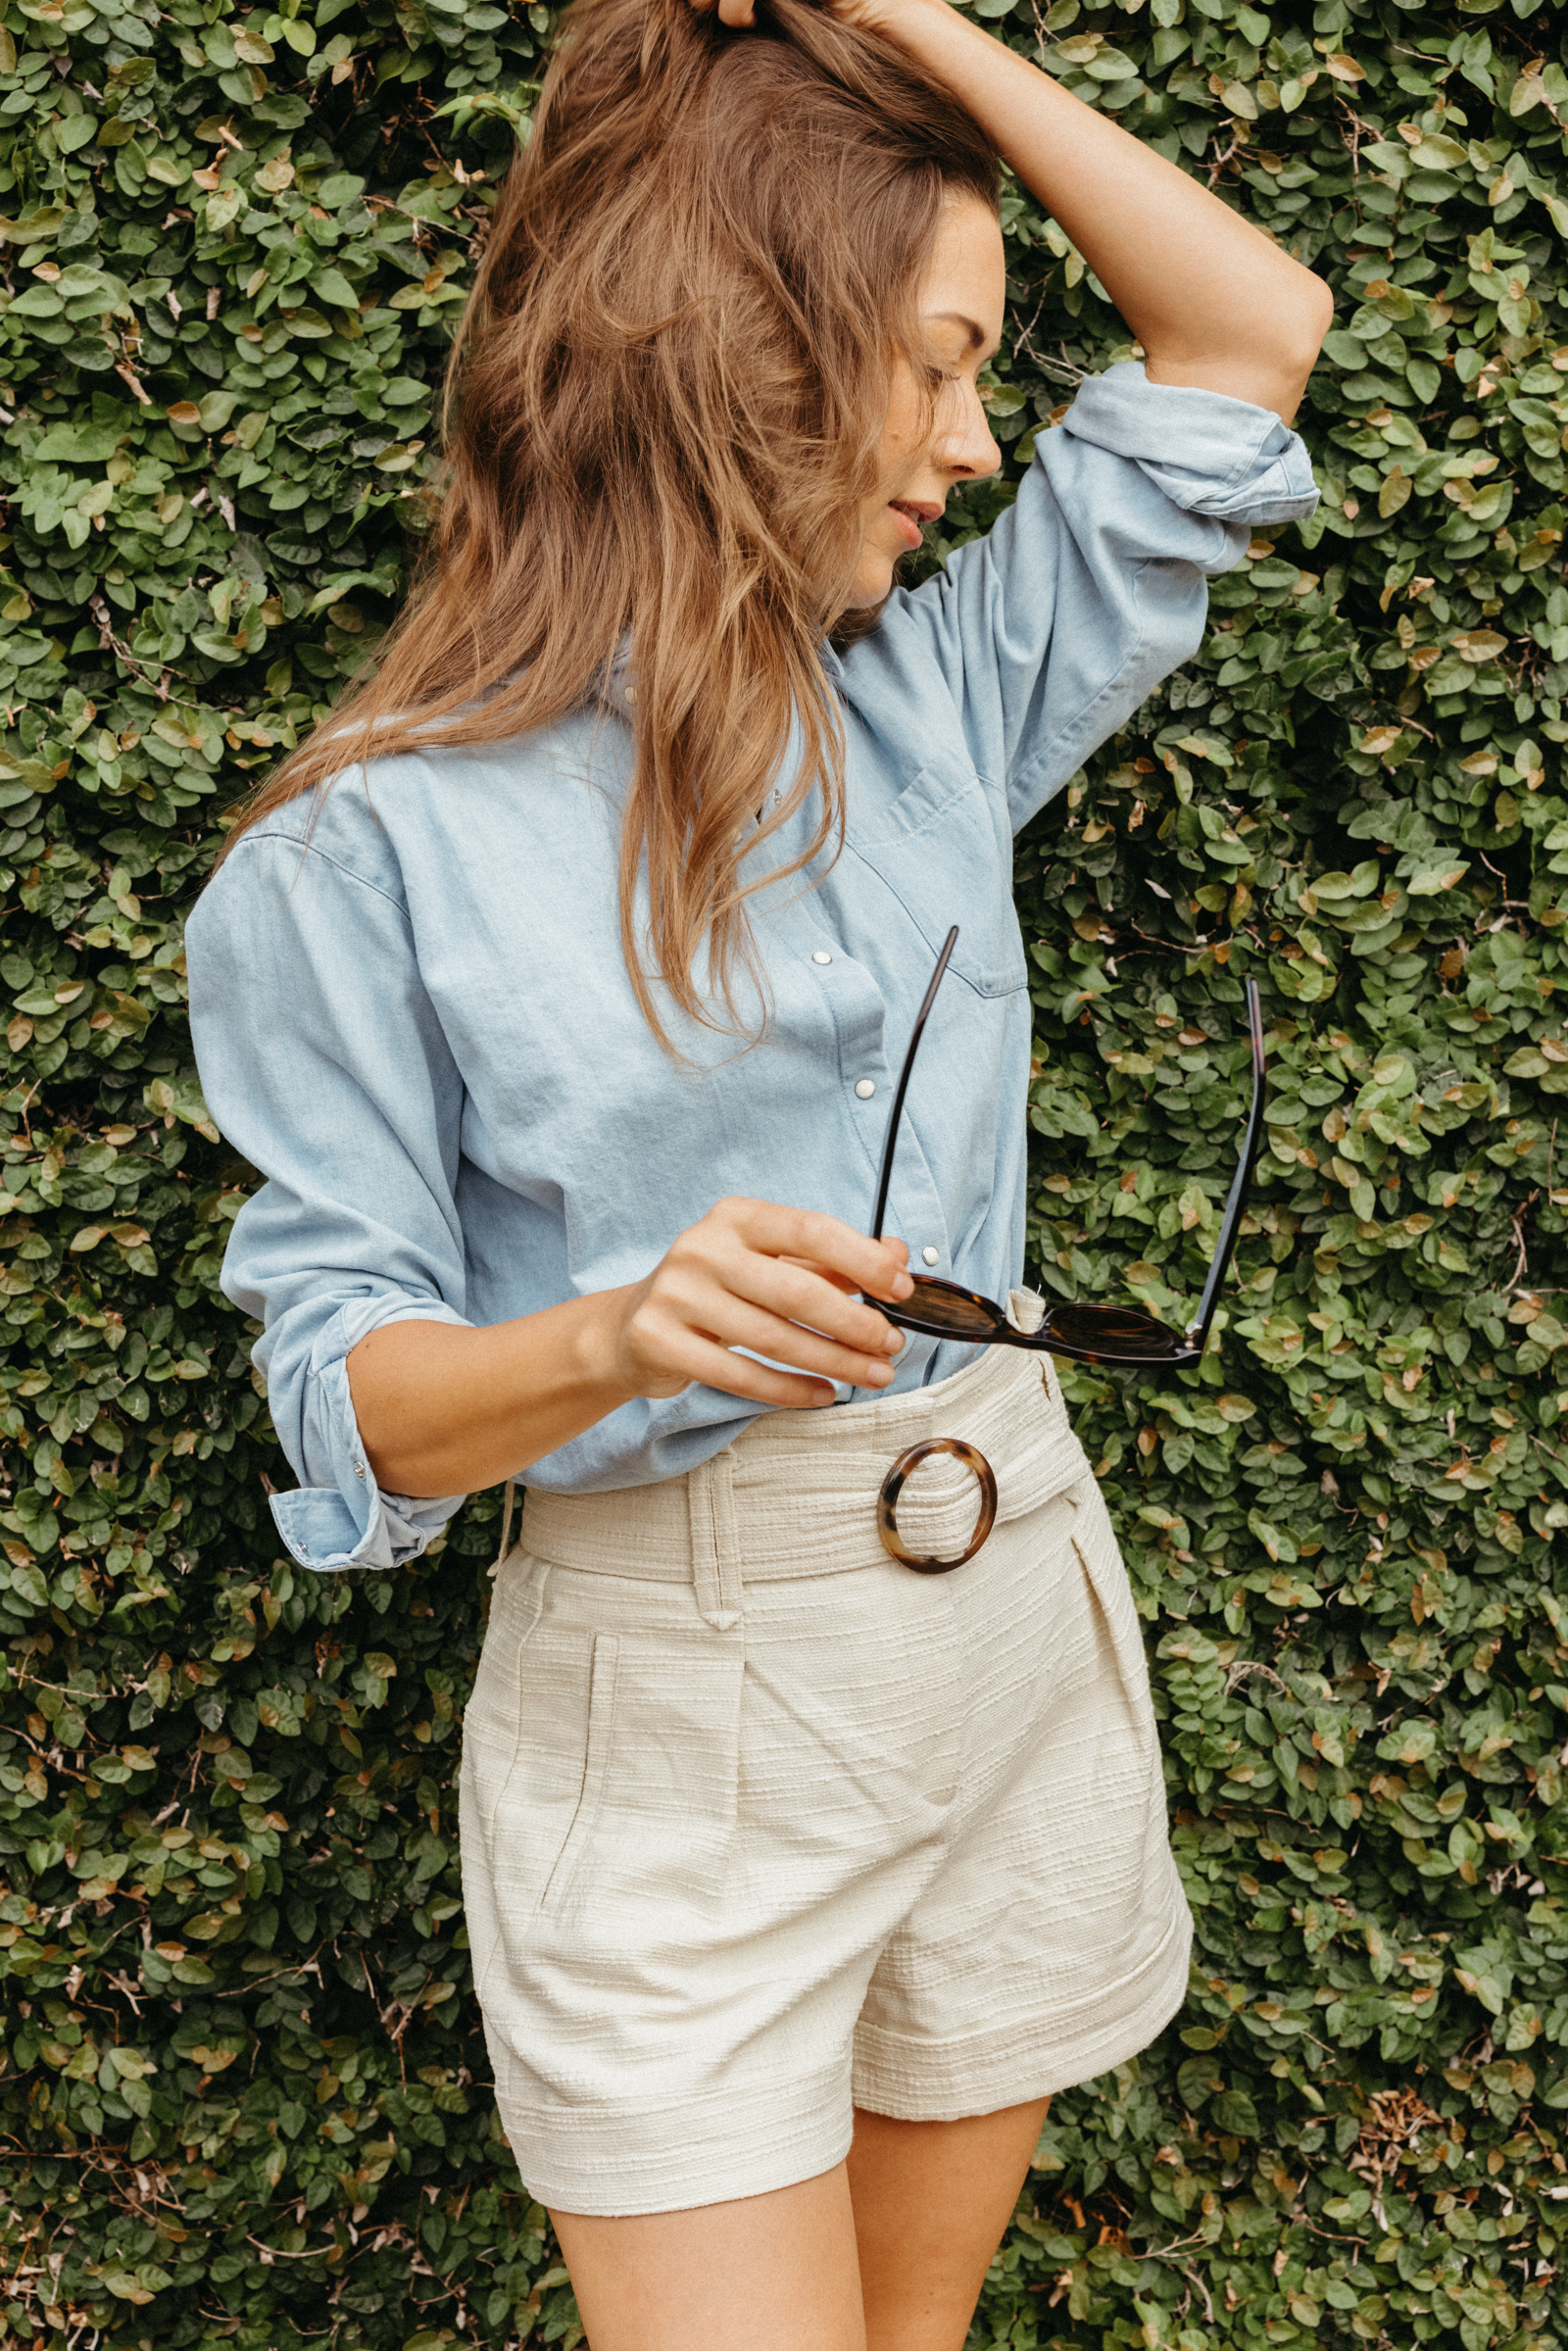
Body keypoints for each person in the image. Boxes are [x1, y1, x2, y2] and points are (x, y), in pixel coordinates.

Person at [186, 0, 1329, 2338]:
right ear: (743, 351)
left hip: (1003, 1594)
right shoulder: (355, 858)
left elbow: (1247, 326)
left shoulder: (926, 703)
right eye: (930, 363)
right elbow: (342, 1399)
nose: (975, 439)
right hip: (679, 1700)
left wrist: (895, 26)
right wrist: (616, 1332)